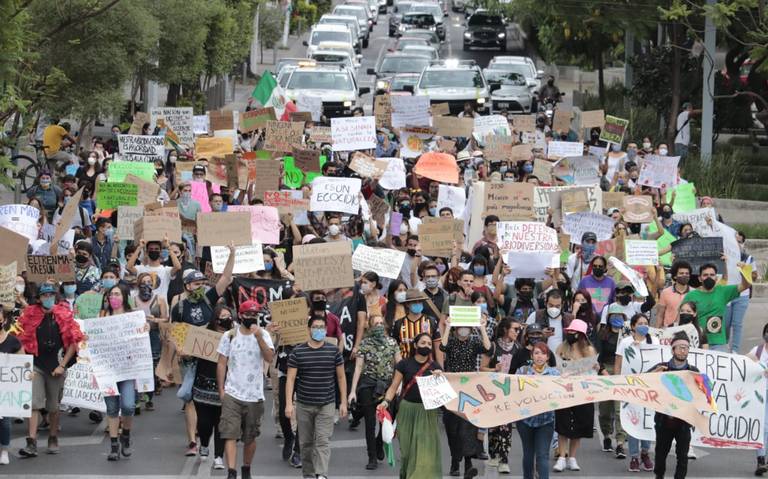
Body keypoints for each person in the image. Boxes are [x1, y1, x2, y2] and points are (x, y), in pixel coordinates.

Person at [17, 282, 83, 458]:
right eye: (45, 295)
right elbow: (20, 339)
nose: (48, 298)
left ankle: (53, 437)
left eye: (51, 295)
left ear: (55, 296)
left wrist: (62, 365)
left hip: (56, 366)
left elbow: (72, 342)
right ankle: (31, 442)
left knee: (53, 406)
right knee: (33, 404)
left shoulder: (64, 314)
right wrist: (25, 363)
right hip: (36, 365)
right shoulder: (29, 314)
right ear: (39, 298)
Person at [216, 300, 275, 479]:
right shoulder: (229, 335)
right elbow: (221, 363)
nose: (251, 318)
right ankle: (231, 471)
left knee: (250, 436)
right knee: (230, 433)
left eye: (254, 315)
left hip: (254, 394)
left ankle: (246, 468)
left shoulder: (263, 334)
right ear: (241, 316)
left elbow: (269, 358)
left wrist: (258, 337)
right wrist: (221, 391)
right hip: (232, 393)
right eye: (248, 314)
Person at [285, 315, 348, 479]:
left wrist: (344, 402)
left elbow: (341, 377)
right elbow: (290, 379)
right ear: (308, 329)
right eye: (315, 327)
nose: (318, 330)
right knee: (306, 444)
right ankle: (309, 474)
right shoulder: (298, 352)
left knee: (322, 441)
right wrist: (288, 404)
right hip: (304, 404)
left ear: (326, 330)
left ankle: (321, 474)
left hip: (326, 403)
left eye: (321, 327)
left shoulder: (333, 351)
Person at [377, 332, 443, 478]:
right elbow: (394, 387)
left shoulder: (435, 367)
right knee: (407, 451)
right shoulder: (404, 364)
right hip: (407, 410)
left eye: (429, 344)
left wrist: (440, 377)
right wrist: (385, 401)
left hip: (427, 412)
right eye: (423, 343)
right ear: (415, 345)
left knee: (423, 450)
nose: (426, 346)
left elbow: (442, 392)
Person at [439, 315, 491, 478]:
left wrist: (482, 327)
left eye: (467, 326)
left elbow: (488, 348)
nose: (463, 329)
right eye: (460, 326)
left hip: (468, 389)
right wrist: (447, 326)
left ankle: (468, 463)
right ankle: (455, 462)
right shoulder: (452, 341)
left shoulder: (474, 342)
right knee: (451, 428)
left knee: (468, 427)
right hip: (451, 389)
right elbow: (442, 346)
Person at [347, 315, 400, 470]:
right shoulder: (364, 344)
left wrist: (399, 385)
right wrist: (352, 391)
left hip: (387, 387)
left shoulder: (392, 343)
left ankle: (379, 444)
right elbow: (358, 368)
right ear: (370, 327)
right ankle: (372, 457)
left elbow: (399, 364)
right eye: (375, 323)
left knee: (386, 420)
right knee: (370, 423)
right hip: (368, 386)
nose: (378, 326)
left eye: (381, 323)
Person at [650, 332, 699, 479]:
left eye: (686, 348)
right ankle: (659, 476)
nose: (683, 351)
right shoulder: (662, 367)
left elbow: (702, 394)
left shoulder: (693, 371)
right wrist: (654, 373)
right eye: (680, 347)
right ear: (672, 350)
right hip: (664, 421)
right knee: (660, 455)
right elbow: (643, 382)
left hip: (684, 422)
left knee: (682, 457)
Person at [99, 284, 140, 461]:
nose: (113, 297)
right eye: (111, 294)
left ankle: (127, 435)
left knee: (129, 405)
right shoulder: (102, 317)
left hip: (127, 369)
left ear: (124, 297)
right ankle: (114, 445)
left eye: (117, 294)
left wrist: (143, 330)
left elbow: (139, 338)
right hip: (108, 370)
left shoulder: (133, 317)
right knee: (112, 408)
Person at [615, 313, 658, 472]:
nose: (643, 325)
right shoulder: (625, 342)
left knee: (647, 422)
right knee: (633, 422)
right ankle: (634, 456)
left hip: (649, 389)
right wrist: (617, 384)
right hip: (630, 388)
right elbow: (618, 364)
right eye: (640, 323)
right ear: (633, 326)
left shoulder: (655, 341)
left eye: (646, 323)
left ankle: (645, 453)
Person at [553, 319, 595, 473]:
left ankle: (572, 457)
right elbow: (556, 367)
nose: (570, 334)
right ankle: (562, 457)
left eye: (574, 332)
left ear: (581, 335)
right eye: (569, 331)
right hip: (564, 391)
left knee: (578, 426)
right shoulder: (561, 348)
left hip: (582, 393)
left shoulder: (589, 350)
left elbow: (591, 370)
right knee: (563, 425)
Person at [193, 305, 231, 470]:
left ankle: (218, 456)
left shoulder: (235, 335)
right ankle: (204, 443)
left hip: (226, 387)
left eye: (229, 316)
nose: (227, 319)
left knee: (221, 423)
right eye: (223, 316)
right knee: (204, 423)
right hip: (203, 386)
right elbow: (191, 354)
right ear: (215, 318)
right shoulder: (204, 333)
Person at [480, 317, 521, 473]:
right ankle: (493, 454)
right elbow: (482, 368)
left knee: (506, 426)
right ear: (505, 329)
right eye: (515, 329)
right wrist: (494, 370)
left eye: (519, 329)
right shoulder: (493, 347)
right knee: (493, 425)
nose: (518, 332)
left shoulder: (518, 348)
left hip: (509, 393)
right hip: (492, 392)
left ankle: (504, 459)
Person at [683, 262, 750, 351]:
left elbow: (745, 285)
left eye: (712, 275)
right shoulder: (691, 296)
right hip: (696, 342)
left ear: (716, 277)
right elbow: (682, 317)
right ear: (700, 278)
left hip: (718, 344)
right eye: (705, 275)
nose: (709, 277)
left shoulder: (723, 291)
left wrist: (743, 271)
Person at [516, 342, 559, 479]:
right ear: (531, 355)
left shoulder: (554, 373)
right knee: (528, 454)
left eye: (543, 353)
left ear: (547, 357)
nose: (539, 356)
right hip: (525, 420)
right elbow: (513, 391)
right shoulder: (522, 371)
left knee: (542, 455)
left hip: (546, 420)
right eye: (536, 353)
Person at [596, 304, 627, 458]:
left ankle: (620, 442)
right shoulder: (602, 334)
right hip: (606, 370)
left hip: (622, 371)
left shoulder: (628, 335)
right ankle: (607, 435)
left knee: (620, 409)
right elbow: (596, 356)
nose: (617, 318)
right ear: (608, 318)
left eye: (620, 316)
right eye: (614, 316)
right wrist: (602, 370)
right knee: (605, 408)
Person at [391, 289, 444, 365]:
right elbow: (394, 348)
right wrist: (399, 367)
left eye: (419, 301)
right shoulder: (399, 323)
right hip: (405, 366)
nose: (417, 304)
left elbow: (437, 346)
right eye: (414, 302)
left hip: (426, 366)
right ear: (407, 304)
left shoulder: (431, 321)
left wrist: (441, 367)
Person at [725, 231, 757, 353]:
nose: (737, 244)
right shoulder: (725, 256)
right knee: (726, 324)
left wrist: (746, 269)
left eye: (739, 241)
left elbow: (754, 277)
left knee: (737, 324)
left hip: (742, 295)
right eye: (735, 241)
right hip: (727, 294)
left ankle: (735, 350)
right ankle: (724, 345)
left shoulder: (748, 258)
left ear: (743, 243)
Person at [0, 308, 24, 465]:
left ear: (4, 319)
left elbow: (22, 362)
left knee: (4, 421)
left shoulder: (13, 341)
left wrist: (27, 374)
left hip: (5, 389)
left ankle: (4, 450)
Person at [747, 322, 768, 475]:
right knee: (762, 426)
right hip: (761, 394)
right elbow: (743, 364)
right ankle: (761, 459)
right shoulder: (758, 350)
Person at [657, 261, 692, 327]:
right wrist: (657, 332)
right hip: (669, 331)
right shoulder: (665, 292)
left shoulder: (694, 293)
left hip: (688, 330)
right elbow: (660, 315)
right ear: (675, 276)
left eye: (687, 273)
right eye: (681, 273)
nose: (684, 275)